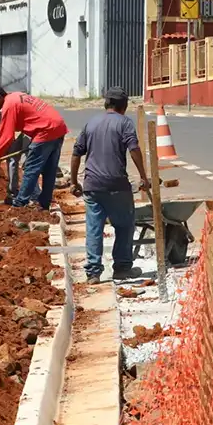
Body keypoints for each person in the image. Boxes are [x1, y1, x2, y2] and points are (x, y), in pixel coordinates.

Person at [69, 88, 151, 285]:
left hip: (92, 186)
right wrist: (143, 177)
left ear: (106, 104)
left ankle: (93, 273)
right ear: (124, 107)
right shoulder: (124, 123)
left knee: (94, 228)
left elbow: (76, 153)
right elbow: (134, 150)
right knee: (124, 225)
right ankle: (122, 268)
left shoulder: (91, 123)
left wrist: (73, 182)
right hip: (117, 185)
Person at [0, 84, 68, 210]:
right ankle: (44, 204)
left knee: (30, 168)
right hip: (58, 127)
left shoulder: (9, 105)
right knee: (49, 169)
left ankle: (19, 204)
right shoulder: (15, 97)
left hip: (45, 130)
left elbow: (6, 136)